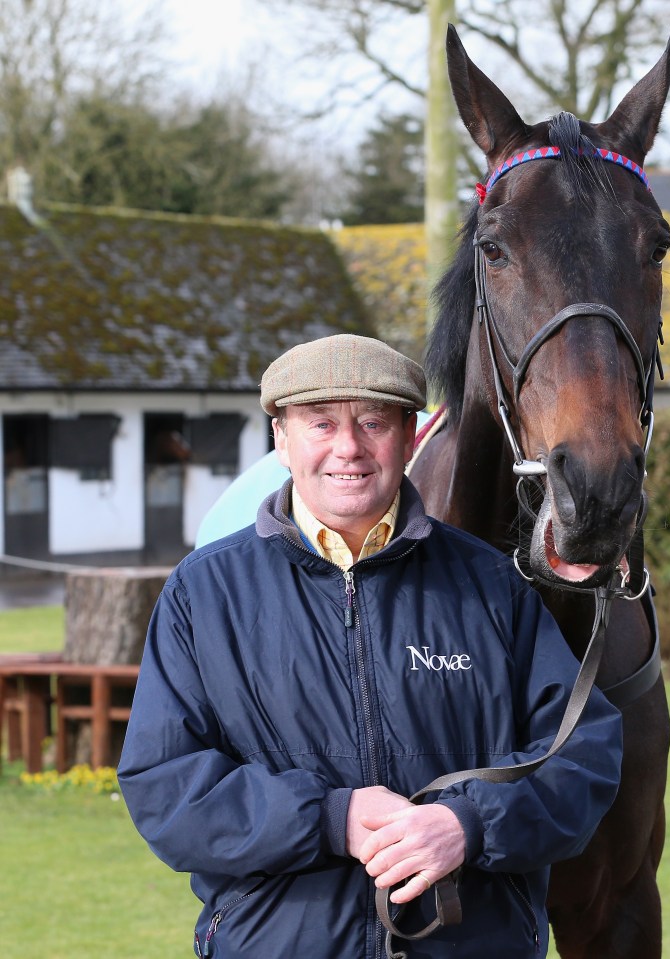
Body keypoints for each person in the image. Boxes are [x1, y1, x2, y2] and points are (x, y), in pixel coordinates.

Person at [118, 334, 623, 959]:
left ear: (410, 436)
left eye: (374, 422)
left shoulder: (492, 584)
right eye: (320, 423)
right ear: (281, 438)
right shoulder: (204, 592)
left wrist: (469, 824)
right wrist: (331, 819)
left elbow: (582, 756)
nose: (348, 448)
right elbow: (164, 782)